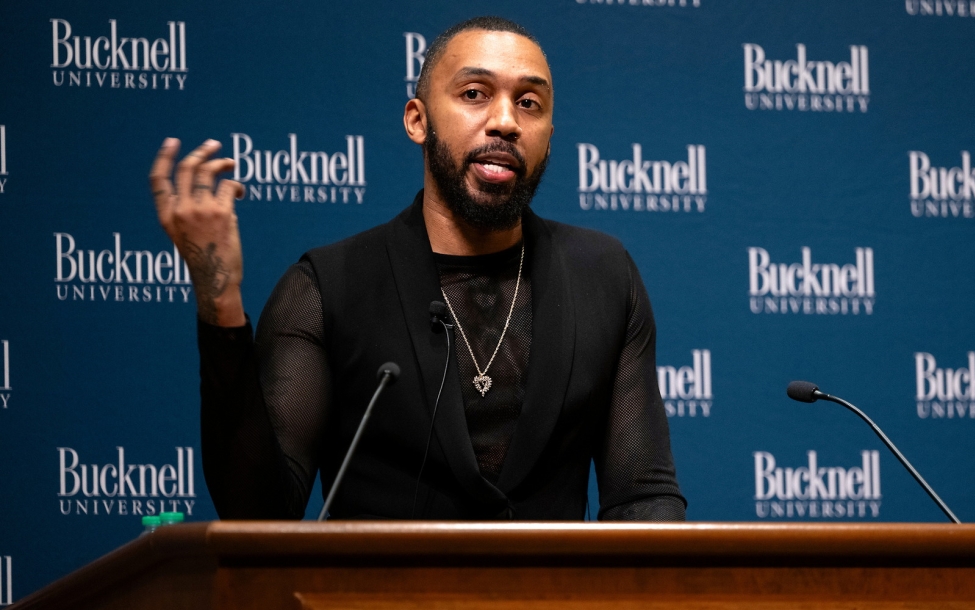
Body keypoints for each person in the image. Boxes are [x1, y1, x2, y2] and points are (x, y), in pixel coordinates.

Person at [147, 16, 685, 520]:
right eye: (475, 94)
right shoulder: (326, 287)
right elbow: (260, 513)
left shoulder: (603, 275)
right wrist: (220, 302)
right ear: (417, 121)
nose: (505, 121)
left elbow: (644, 496)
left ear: (549, 134)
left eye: (529, 103)